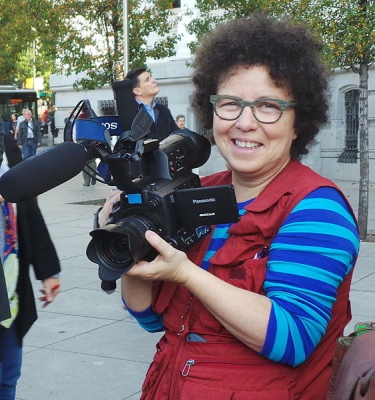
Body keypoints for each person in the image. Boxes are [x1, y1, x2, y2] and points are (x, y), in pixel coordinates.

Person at [97, 14, 360, 400]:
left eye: (268, 106)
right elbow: (151, 318)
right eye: (230, 104)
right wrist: (128, 244)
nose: (245, 123)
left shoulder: (316, 208)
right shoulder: (196, 190)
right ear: (212, 109)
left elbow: (294, 338)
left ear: (298, 120)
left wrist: (187, 273)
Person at [0, 121, 61, 400]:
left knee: (8, 375)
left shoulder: (6, 146)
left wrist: (48, 271)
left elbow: (28, 207)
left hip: (10, 292)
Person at [125, 67, 178, 140]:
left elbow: (176, 135)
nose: (153, 81)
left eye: (151, 77)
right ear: (137, 91)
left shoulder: (163, 110)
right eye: (147, 80)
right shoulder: (131, 113)